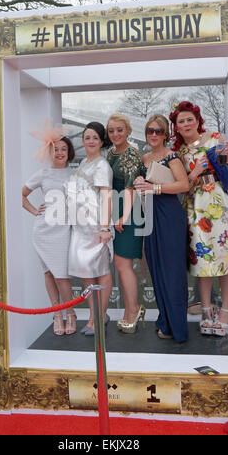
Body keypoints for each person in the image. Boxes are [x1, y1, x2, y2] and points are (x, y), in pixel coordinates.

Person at [169, 101, 228, 337]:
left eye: (190, 119)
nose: (186, 124)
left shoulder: (215, 138)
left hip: (221, 203)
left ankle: (227, 311)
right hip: (196, 207)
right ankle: (207, 311)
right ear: (176, 127)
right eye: (181, 121)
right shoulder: (178, 153)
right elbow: (181, 187)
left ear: (198, 120)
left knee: (226, 256)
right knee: (202, 259)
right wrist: (195, 172)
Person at [133, 115, 189, 342]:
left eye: (158, 130)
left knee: (172, 271)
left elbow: (183, 185)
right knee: (156, 269)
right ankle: (165, 322)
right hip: (150, 216)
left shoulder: (172, 157)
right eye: (149, 131)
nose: (153, 134)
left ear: (166, 134)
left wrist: (154, 187)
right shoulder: (144, 157)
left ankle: (178, 328)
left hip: (170, 216)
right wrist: (139, 184)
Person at [22, 122, 77, 336]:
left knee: (61, 274)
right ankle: (56, 313)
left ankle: (70, 313)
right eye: (56, 149)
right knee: (49, 273)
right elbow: (22, 195)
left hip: (65, 229)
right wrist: (35, 210)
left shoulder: (75, 174)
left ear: (69, 152)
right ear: (49, 152)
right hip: (44, 230)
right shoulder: (43, 174)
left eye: (64, 149)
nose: (60, 153)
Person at [67, 122, 113, 336]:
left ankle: (98, 318)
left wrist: (104, 227)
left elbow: (106, 196)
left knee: (101, 270)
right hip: (81, 227)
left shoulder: (102, 165)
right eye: (87, 137)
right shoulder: (84, 162)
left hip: (96, 225)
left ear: (102, 141)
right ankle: (94, 315)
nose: (91, 141)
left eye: (95, 137)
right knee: (87, 273)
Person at [106, 114, 145, 334]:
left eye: (119, 130)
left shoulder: (131, 154)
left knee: (123, 264)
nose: (115, 134)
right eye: (111, 131)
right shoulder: (111, 153)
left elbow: (130, 188)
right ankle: (132, 309)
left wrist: (123, 216)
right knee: (121, 265)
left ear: (128, 130)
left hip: (129, 212)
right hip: (115, 210)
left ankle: (134, 310)